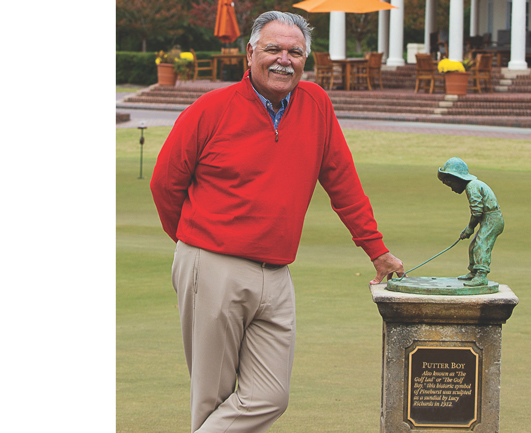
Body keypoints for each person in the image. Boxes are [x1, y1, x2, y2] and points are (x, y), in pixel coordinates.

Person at [150, 11, 404, 433]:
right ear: (250, 53)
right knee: (211, 397)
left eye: (295, 51)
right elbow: (165, 184)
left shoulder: (317, 105)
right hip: (212, 264)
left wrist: (376, 249)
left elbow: (342, 182)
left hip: (278, 272)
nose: (283, 59)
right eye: (273, 49)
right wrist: (194, 244)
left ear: (306, 59)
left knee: (269, 396)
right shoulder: (209, 109)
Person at [437, 157, 503, 287]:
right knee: (473, 245)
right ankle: (474, 271)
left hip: (492, 219)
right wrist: (469, 228)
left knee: (481, 244)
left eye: (451, 184)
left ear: (457, 179)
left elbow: (477, 212)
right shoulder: (473, 185)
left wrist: (469, 228)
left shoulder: (472, 186)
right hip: (488, 219)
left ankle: (481, 275)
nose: (452, 189)